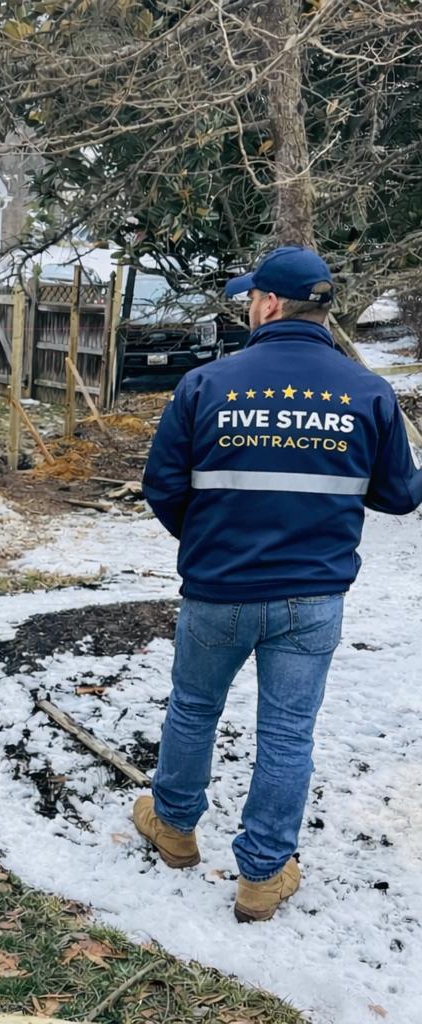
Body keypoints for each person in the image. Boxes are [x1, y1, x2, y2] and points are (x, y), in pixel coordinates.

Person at [137, 246, 422, 922]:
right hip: (312, 597)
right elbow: (400, 496)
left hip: (217, 590)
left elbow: (162, 487)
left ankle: (173, 827)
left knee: (194, 708)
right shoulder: (368, 392)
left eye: (249, 299)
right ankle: (263, 877)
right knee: (288, 735)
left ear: (267, 303)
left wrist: (212, 541)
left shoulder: (206, 385)